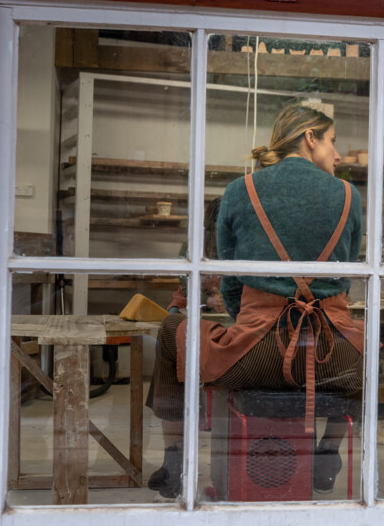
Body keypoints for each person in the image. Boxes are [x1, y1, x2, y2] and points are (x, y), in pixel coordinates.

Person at [146, 104, 365, 498]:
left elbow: (231, 280)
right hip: (331, 357)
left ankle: (175, 458)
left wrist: (248, 322)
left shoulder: (239, 190)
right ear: (309, 138)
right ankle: (329, 448)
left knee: (168, 332)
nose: (337, 154)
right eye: (332, 141)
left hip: (257, 353)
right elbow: (344, 276)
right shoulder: (349, 196)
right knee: (371, 349)